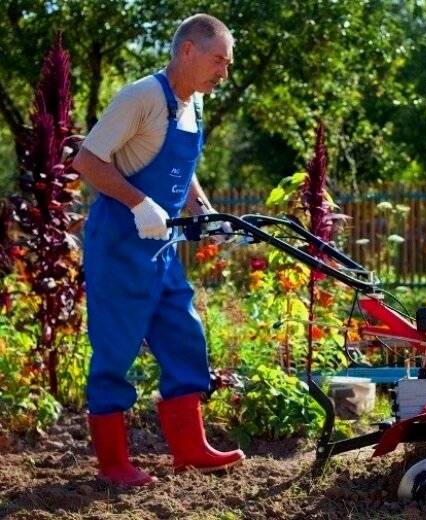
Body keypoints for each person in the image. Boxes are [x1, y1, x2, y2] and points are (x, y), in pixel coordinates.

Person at [72, 13, 244, 486]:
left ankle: (190, 449)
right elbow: (86, 159)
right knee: (116, 349)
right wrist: (139, 202)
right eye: (218, 61)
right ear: (187, 51)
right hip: (120, 244)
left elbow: (179, 165)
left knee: (184, 336)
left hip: (161, 245)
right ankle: (113, 465)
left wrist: (203, 207)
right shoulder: (143, 96)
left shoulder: (193, 106)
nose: (223, 74)